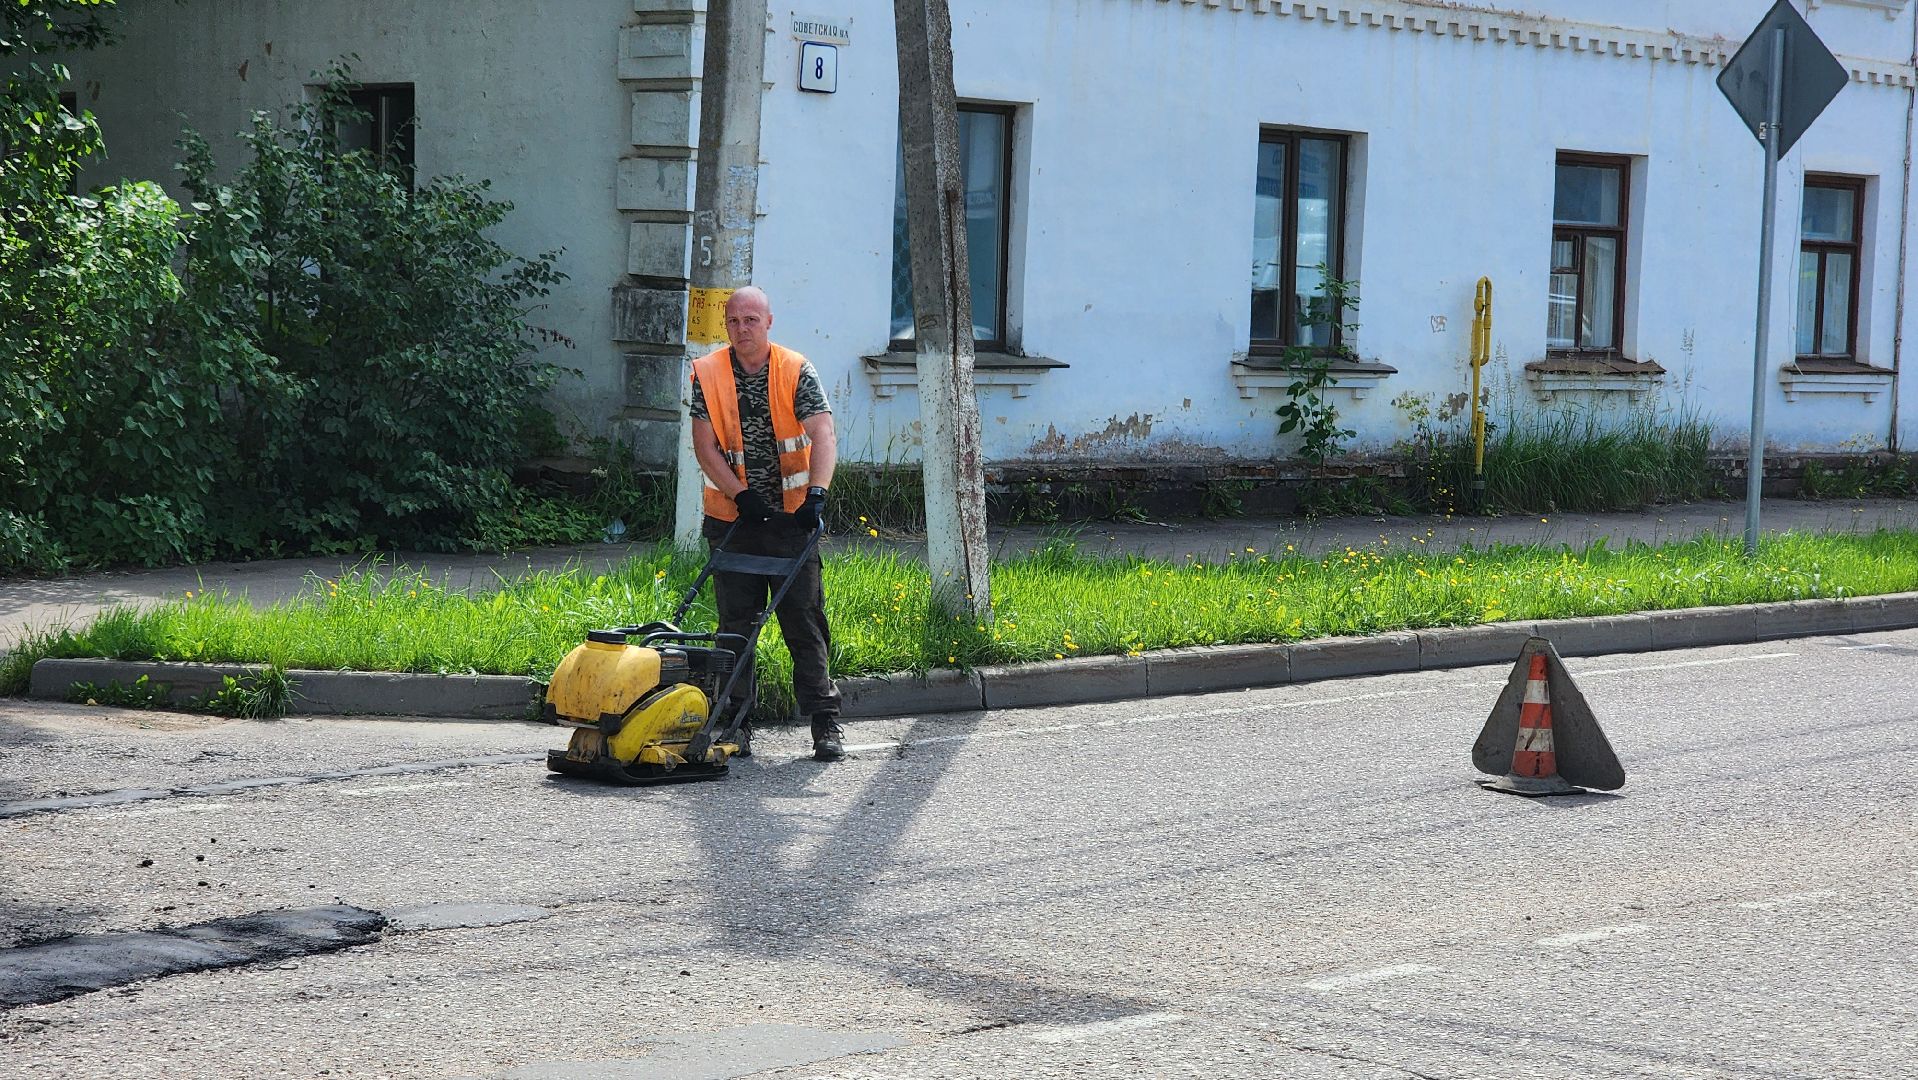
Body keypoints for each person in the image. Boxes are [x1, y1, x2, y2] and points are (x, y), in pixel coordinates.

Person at [688, 286, 844, 762]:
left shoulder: (796, 370)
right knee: (735, 627)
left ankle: (825, 723)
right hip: (734, 519)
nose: (742, 329)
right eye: (734, 322)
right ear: (726, 327)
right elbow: (705, 446)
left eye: (751, 320)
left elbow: (822, 433)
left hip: (793, 521)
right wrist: (740, 495)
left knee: (803, 622)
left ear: (769, 322)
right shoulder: (708, 373)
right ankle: (736, 725)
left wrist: (817, 493)